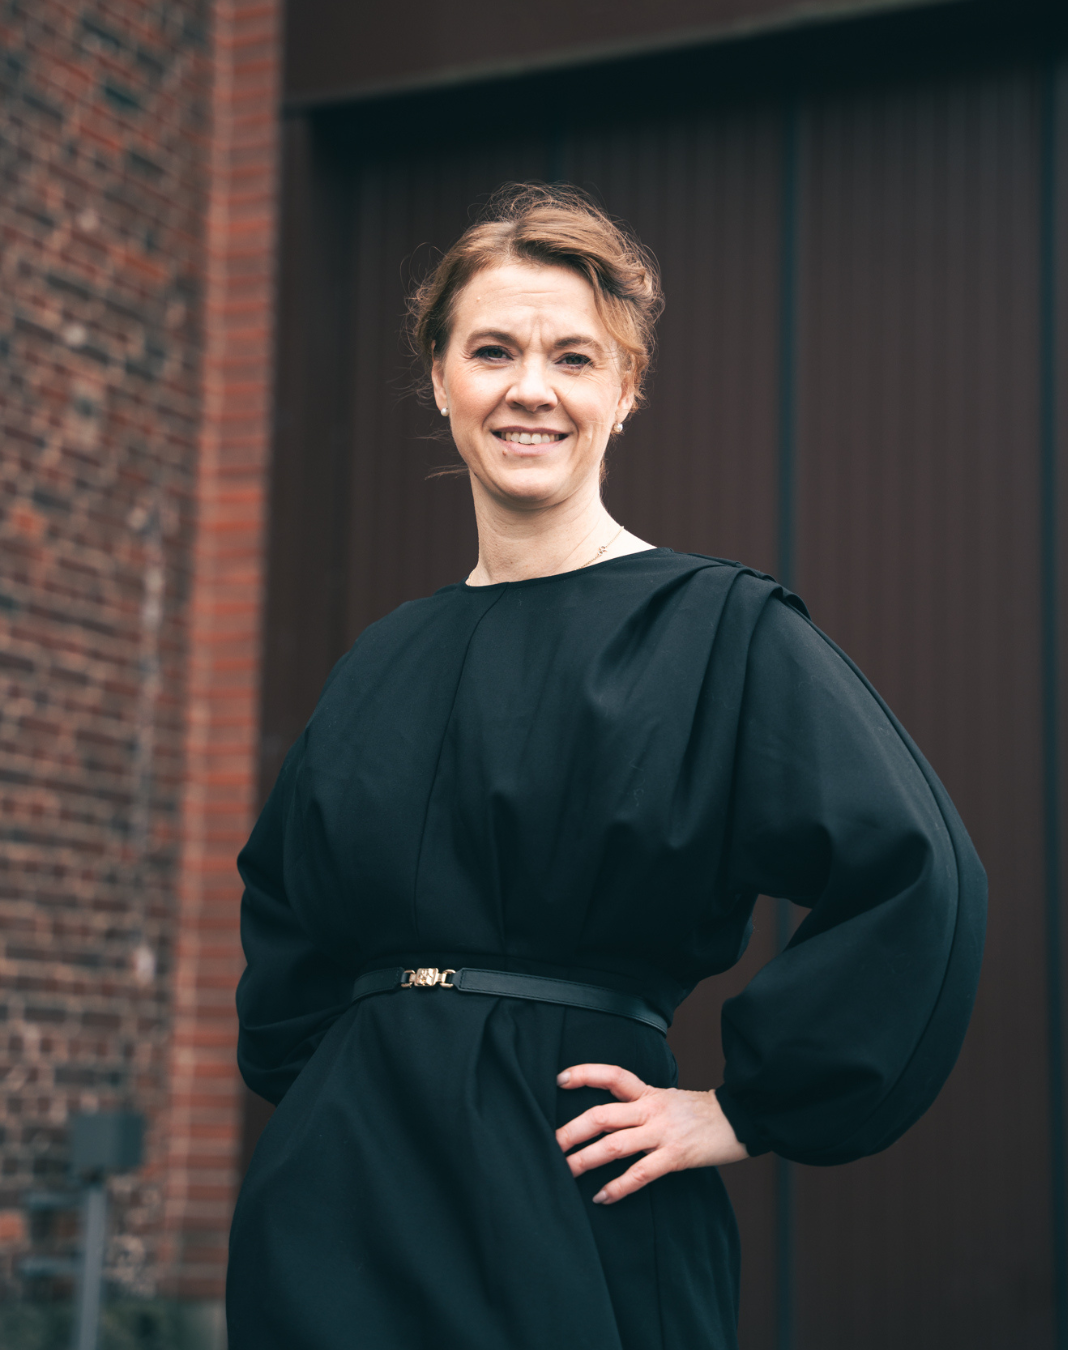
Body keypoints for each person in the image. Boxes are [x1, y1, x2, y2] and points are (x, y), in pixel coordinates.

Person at [226, 184, 986, 1350]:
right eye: (493, 351)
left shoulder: (720, 630)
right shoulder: (377, 661)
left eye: (574, 358)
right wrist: (335, 1095)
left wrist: (743, 1110)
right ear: (441, 381)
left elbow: (914, 869)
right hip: (339, 1203)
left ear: (624, 393)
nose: (531, 388)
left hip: (575, 1184)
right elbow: (285, 916)